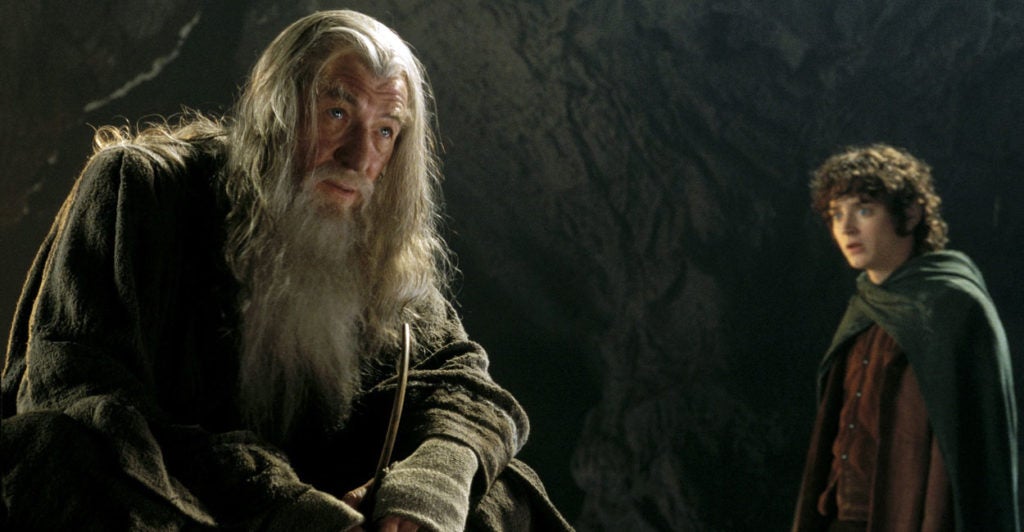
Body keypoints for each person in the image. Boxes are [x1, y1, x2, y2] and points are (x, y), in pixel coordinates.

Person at [1, 10, 571, 531]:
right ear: (274, 110)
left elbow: (463, 381)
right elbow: (77, 386)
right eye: (337, 113)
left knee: (497, 488)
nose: (358, 158)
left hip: (333, 508)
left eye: (385, 130)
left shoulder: (377, 241)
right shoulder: (141, 190)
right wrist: (278, 501)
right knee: (60, 448)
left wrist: (432, 480)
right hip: (183, 502)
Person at [790, 143, 1019, 531]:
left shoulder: (952, 306)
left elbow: (970, 449)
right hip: (839, 518)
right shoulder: (863, 306)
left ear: (910, 214)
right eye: (836, 214)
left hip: (908, 519)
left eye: (864, 210)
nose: (846, 228)